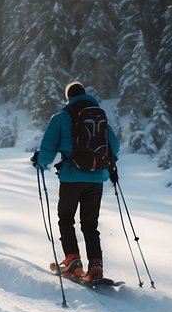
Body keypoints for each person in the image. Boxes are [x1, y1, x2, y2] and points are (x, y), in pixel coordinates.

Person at [32, 81, 120, 283]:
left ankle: (73, 261)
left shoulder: (61, 117)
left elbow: (47, 150)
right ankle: (96, 267)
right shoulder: (99, 117)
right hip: (96, 179)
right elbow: (114, 147)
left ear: (68, 97)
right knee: (90, 224)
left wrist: (39, 162)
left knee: (66, 218)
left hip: (71, 177)